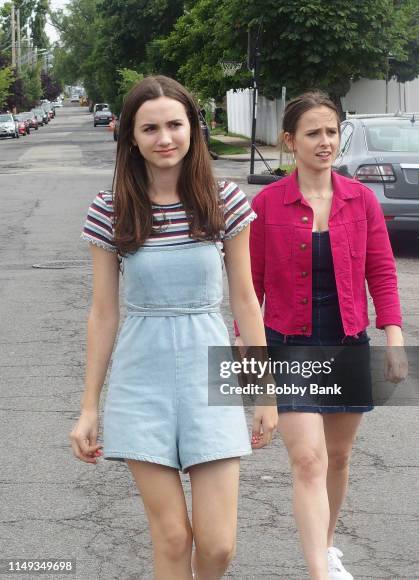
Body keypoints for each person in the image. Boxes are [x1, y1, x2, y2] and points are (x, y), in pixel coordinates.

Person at [70, 75, 277, 580]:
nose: (164, 138)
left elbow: (247, 301)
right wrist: (89, 406)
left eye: (174, 124)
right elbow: (103, 312)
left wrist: (265, 394)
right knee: (171, 537)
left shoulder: (224, 202)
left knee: (219, 545)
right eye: (150, 128)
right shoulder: (110, 210)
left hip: (212, 377)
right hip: (141, 381)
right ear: (131, 138)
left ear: (193, 129)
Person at [235, 91, 408, 580]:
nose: (325, 142)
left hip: (348, 342)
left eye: (331, 131)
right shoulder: (267, 204)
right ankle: (318, 572)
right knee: (308, 459)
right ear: (290, 141)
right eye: (313, 133)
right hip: (289, 344)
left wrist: (394, 337)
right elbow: (250, 291)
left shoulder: (361, 200)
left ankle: (327, 546)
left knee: (337, 456)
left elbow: (382, 272)